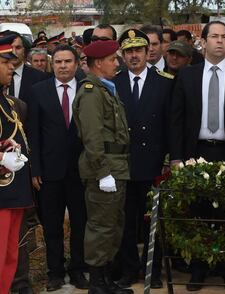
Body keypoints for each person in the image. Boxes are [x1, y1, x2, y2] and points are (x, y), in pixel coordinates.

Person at [170, 20, 225, 291]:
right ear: (204, 41)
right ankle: (199, 268)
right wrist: (176, 157)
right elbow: (176, 119)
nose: (219, 41)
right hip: (196, 152)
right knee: (197, 213)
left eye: (224, 37)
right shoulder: (188, 75)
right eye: (214, 36)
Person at [113, 28, 174, 289]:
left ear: (147, 51)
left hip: (153, 163)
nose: (134, 55)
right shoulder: (113, 83)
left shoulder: (165, 81)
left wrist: (170, 159)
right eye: (129, 51)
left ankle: (153, 269)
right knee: (126, 221)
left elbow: (172, 124)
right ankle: (129, 269)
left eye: (138, 50)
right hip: (124, 164)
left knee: (153, 221)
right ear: (122, 55)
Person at [72, 40, 132, 294]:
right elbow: (92, 137)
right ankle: (97, 283)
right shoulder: (90, 92)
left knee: (114, 225)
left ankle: (106, 279)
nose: (117, 63)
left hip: (117, 167)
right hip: (105, 169)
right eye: (112, 59)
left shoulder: (105, 89)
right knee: (100, 227)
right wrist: (102, 172)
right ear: (98, 63)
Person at [27, 45, 88, 291]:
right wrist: (35, 169)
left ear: (76, 64)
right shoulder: (38, 91)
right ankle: (55, 272)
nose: (63, 66)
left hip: (80, 172)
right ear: (53, 64)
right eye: (59, 62)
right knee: (51, 225)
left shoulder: (88, 89)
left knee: (80, 224)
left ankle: (78, 270)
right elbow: (33, 133)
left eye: (68, 61)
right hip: (49, 173)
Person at [0, 35, 32, 294]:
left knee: (10, 257)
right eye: (6, 61)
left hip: (14, 193)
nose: (13, 66)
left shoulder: (9, 102)